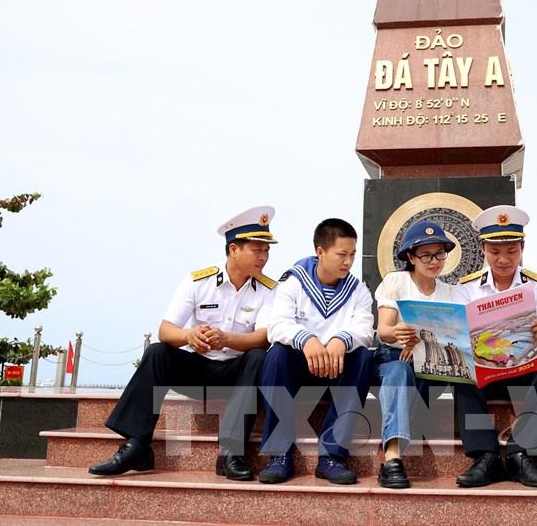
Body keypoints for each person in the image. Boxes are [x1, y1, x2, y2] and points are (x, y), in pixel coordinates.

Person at [88, 206, 280, 481]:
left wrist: (227, 339)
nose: (263, 257)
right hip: (198, 372)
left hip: (240, 376)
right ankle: (137, 446)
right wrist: (189, 336)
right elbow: (165, 330)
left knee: (259, 356)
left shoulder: (269, 290)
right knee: (157, 352)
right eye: (257, 250)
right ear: (233, 249)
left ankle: (230, 453)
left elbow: (262, 336)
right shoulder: (197, 281)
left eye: (267, 251)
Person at [451, 205, 537, 488]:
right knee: (460, 359)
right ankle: (485, 456)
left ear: (522, 247)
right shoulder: (466, 289)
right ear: (483, 249)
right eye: (495, 251)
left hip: (525, 372)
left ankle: (520, 453)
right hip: (484, 374)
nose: (503, 259)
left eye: (512, 251)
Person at [257, 218, 374, 485]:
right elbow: (277, 325)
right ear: (321, 252)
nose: (348, 262)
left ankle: (332, 455)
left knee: (363, 358)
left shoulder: (358, 290)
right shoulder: (293, 282)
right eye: (341, 254)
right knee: (277, 355)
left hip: (336, 367)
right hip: (300, 367)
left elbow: (365, 329)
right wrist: (306, 339)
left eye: (352, 254)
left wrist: (341, 340)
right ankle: (279, 455)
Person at [372, 219, 454, 489]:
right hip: (393, 359)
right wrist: (400, 333)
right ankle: (392, 458)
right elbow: (384, 331)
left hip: (431, 368)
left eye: (439, 253)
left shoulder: (450, 293)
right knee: (399, 370)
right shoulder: (396, 281)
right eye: (426, 255)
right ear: (410, 257)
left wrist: (421, 344)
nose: (434, 261)